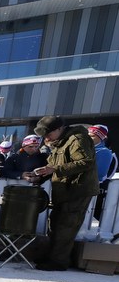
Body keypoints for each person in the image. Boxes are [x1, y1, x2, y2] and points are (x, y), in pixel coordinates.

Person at [32, 116, 99, 271]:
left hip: (77, 190)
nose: (46, 138)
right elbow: (54, 164)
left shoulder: (77, 139)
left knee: (66, 226)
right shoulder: (60, 142)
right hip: (65, 190)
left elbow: (86, 162)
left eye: (48, 134)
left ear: (59, 129)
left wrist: (54, 169)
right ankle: (52, 257)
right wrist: (40, 175)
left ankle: (58, 262)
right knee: (55, 223)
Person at [89, 124, 117, 220]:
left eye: (92, 135)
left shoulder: (104, 152)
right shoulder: (86, 149)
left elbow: (101, 174)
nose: (88, 137)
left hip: (95, 189)